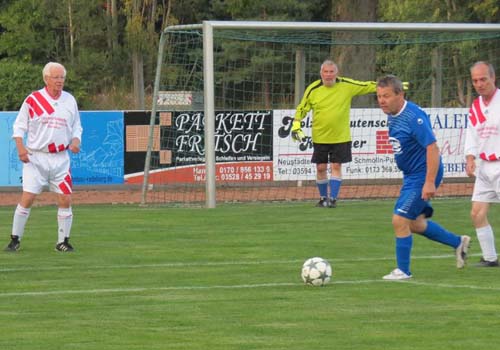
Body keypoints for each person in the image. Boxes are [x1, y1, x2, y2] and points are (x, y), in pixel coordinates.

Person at [376, 74, 470, 280]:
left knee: (399, 219)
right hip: (412, 176)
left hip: (422, 176)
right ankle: (458, 243)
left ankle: (403, 271)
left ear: (400, 94)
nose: (382, 100)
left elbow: (432, 148)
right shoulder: (392, 114)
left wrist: (429, 181)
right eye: (379, 96)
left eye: (386, 96)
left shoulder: (414, 117)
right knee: (415, 224)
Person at [4, 62, 82, 253]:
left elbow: (76, 126)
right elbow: (19, 127)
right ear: (46, 78)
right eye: (55, 77)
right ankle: (15, 239)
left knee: (65, 198)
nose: (59, 81)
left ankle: (63, 241)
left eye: (62, 77)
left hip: (61, 158)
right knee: (28, 198)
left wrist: (76, 140)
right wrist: (21, 148)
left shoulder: (69, 100)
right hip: (35, 158)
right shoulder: (33, 100)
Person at [292, 59, 379, 208]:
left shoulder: (346, 85)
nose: (328, 75)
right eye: (325, 72)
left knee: (336, 166)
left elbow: (366, 86)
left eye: (331, 72)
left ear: (336, 73)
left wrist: (389, 86)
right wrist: (296, 123)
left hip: (341, 136)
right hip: (320, 136)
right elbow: (303, 107)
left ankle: (332, 199)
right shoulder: (313, 89)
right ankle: (322, 198)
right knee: (320, 167)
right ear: (321, 73)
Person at [464, 61, 500, 267]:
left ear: (493, 78)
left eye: (483, 79)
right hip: (485, 167)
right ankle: (490, 257)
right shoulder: (476, 106)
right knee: (477, 213)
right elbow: (472, 136)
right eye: (475, 80)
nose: (479, 84)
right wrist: (470, 158)